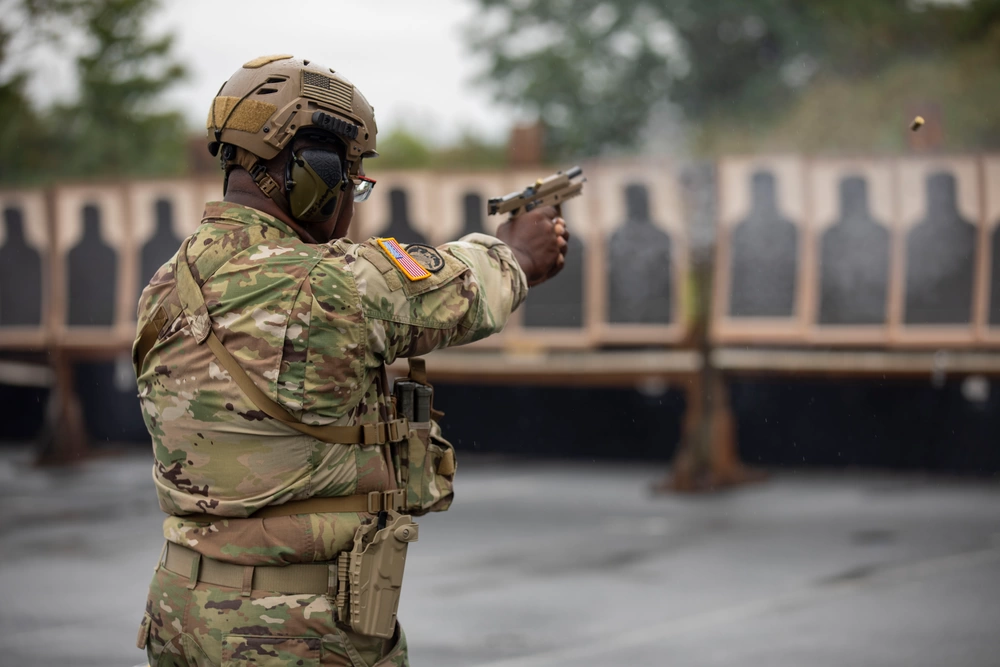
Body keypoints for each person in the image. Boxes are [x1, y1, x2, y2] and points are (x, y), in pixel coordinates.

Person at [131, 55, 569, 667]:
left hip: (179, 612)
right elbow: (470, 288)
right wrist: (521, 250)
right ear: (314, 172)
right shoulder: (328, 284)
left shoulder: (165, 284)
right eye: (352, 180)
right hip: (293, 633)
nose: (353, 200)